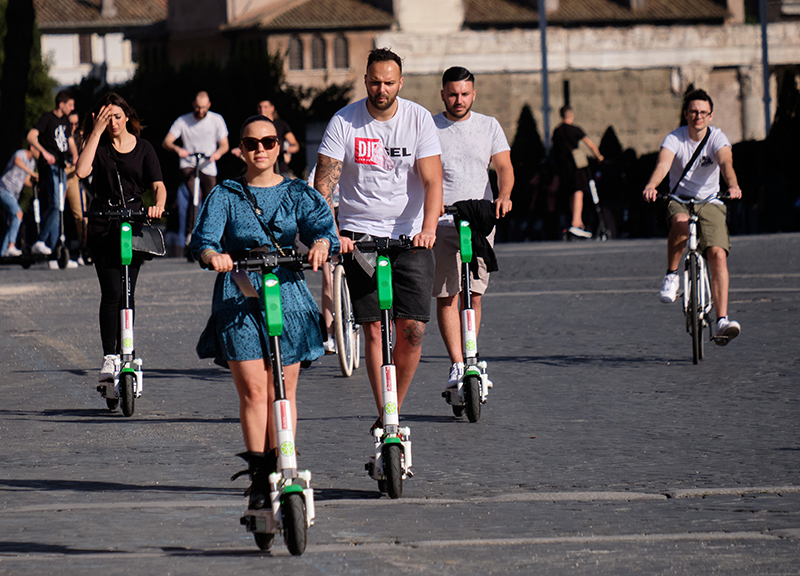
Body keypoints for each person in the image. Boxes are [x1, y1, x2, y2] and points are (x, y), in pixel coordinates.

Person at [190, 115, 338, 511]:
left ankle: (282, 463)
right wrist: (214, 255)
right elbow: (202, 240)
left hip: (287, 298)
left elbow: (325, 229)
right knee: (256, 392)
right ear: (240, 148)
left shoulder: (297, 193)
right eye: (251, 143)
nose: (260, 149)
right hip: (238, 297)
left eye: (268, 142)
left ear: (279, 147)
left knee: (283, 392)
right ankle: (259, 476)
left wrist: (322, 244)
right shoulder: (225, 194)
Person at [313, 48, 443, 426]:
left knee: (413, 329)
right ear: (365, 80)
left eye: (389, 82)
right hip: (360, 236)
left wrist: (429, 228)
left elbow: (433, 179)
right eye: (374, 82)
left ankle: (393, 406)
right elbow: (325, 184)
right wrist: (333, 233)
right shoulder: (344, 122)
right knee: (374, 328)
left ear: (400, 82)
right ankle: (386, 414)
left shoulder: (418, 119)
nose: (381, 89)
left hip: (411, 237)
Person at [431, 66, 514, 389]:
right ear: (443, 95)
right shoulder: (431, 126)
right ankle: (457, 364)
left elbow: (504, 166)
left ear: (474, 94)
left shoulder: (488, 125)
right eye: (453, 94)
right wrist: (431, 202)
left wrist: (504, 196)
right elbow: (424, 171)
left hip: (480, 219)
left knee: (475, 293)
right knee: (447, 294)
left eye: (465, 94)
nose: (459, 100)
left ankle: (471, 355)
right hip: (443, 220)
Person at [75, 93, 167, 380]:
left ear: (127, 116)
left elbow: (159, 185)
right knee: (112, 292)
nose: (112, 122)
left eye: (116, 116)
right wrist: (96, 131)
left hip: (134, 224)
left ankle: (127, 349)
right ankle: (110, 356)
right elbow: (81, 171)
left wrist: (158, 205)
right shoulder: (98, 146)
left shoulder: (144, 148)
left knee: (128, 291)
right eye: (107, 117)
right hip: (104, 222)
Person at [642, 88, 742, 343]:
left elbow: (726, 163)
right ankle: (671, 275)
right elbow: (663, 165)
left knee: (718, 255)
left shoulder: (718, 138)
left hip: (710, 201)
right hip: (680, 200)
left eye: (703, 112)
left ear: (711, 116)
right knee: (680, 225)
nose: (698, 116)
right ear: (686, 114)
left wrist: (733, 185)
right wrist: (652, 185)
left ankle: (721, 320)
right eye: (694, 112)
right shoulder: (674, 138)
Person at [162, 91, 229, 241]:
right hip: (189, 164)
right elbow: (167, 142)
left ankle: (213, 233)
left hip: (208, 163)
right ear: (193, 105)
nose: (200, 111)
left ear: (209, 105)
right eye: (198, 107)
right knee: (194, 196)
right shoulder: (183, 121)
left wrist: (217, 153)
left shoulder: (216, 120)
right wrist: (178, 149)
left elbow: (225, 145)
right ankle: (190, 234)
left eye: (204, 107)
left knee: (211, 198)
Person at [26, 90, 79, 255]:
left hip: (62, 166)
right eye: (70, 105)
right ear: (61, 104)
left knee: (59, 207)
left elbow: (69, 139)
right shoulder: (48, 118)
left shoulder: (65, 121)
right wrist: (45, 153)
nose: (72, 108)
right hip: (50, 167)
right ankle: (40, 241)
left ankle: (54, 249)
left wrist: (76, 155)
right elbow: (31, 136)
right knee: (56, 205)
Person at [551, 105, 603, 238]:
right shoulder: (575, 129)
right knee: (578, 191)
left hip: (563, 167)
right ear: (571, 115)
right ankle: (577, 221)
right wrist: (598, 156)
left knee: (570, 192)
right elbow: (589, 144)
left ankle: (574, 220)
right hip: (576, 166)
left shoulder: (557, 131)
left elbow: (554, 151)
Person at [231, 100, 300, 179]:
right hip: (258, 171)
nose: (262, 109)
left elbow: (295, 145)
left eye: (265, 107)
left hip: (280, 168)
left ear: (272, 108)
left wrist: (289, 150)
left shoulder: (281, 125)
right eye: (260, 107)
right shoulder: (252, 125)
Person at [0, 147, 38, 257]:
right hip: (4, 189)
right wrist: (32, 172)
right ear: (32, 147)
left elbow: (25, 180)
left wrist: (34, 184)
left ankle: (2, 254)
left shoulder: (33, 163)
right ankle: (11, 246)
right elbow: (17, 162)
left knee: (10, 222)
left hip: (14, 194)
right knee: (18, 214)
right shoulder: (21, 153)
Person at [65, 112, 88, 263]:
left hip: (74, 175)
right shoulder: (60, 135)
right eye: (70, 124)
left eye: (75, 124)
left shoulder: (80, 137)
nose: (73, 127)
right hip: (61, 172)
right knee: (58, 212)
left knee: (80, 214)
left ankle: (82, 249)